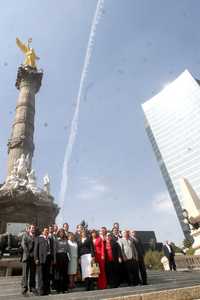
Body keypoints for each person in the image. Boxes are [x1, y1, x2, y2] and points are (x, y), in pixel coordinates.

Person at [34, 227, 56, 296]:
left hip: (48, 259)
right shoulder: (38, 238)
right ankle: (41, 291)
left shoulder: (50, 239)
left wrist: (52, 259)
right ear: (42, 232)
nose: (46, 232)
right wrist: (36, 258)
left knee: (47, 276)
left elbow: (52, 249)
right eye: (45, 231)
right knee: (40, 276)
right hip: (41, 260)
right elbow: (35, 249)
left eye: (47, 231)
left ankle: (47, 290)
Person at [21, 224, 37, 295]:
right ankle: (24, 289)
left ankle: (32, 287)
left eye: (34, 228)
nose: (33, 229)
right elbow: (23, 245)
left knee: (33, 273)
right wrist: (28, 253)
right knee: (25, 274)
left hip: (34, 258)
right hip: (26, 257)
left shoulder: (36, 237)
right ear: (29, 229)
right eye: (32, 228)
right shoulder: (25, 235)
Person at [54, 228, 70, 293]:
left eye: (63, 232)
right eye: (60, 232)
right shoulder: (56, 240)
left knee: (64, 273)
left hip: (65, 256)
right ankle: (58, 288)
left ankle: (64, 288)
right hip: (58, 256)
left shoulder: (66, 240)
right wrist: (55, 259)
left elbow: (68, 249)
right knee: (59, 273)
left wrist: (69, 258)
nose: (61, 233)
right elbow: (54, 250)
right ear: (58, 233)